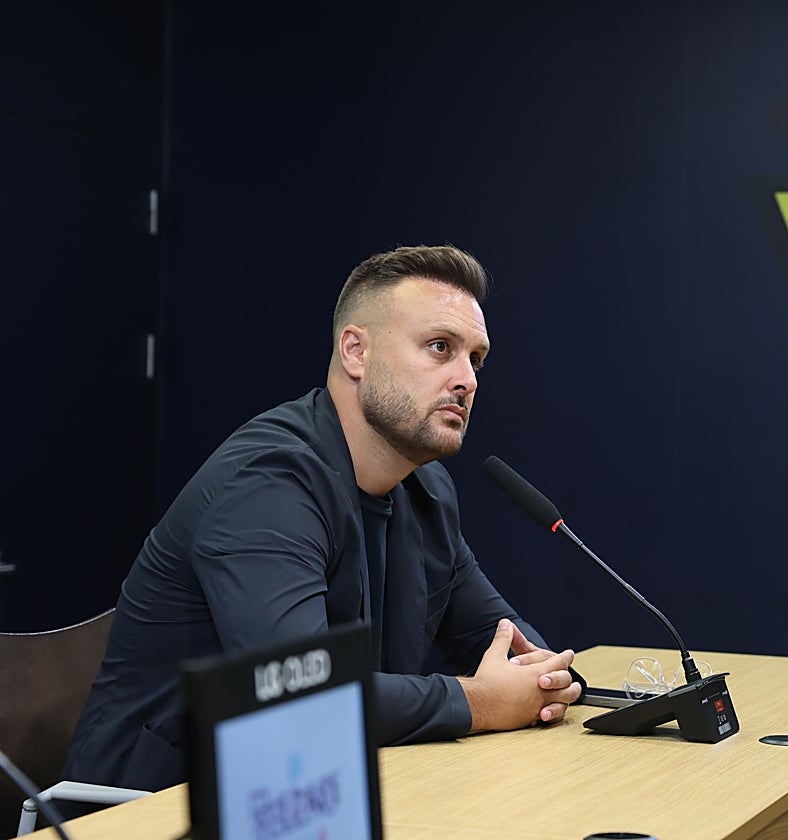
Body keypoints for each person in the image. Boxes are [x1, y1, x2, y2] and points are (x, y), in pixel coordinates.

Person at [63, 245, 583, 792]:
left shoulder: (425, 489)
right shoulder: (267, 482)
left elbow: (497, 634)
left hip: (314, 789)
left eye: (475, 359)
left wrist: (543, 679)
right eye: (439, 348)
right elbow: (302, 698)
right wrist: (480, 702)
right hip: (151, 807)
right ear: (355, 352)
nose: (468, 380)